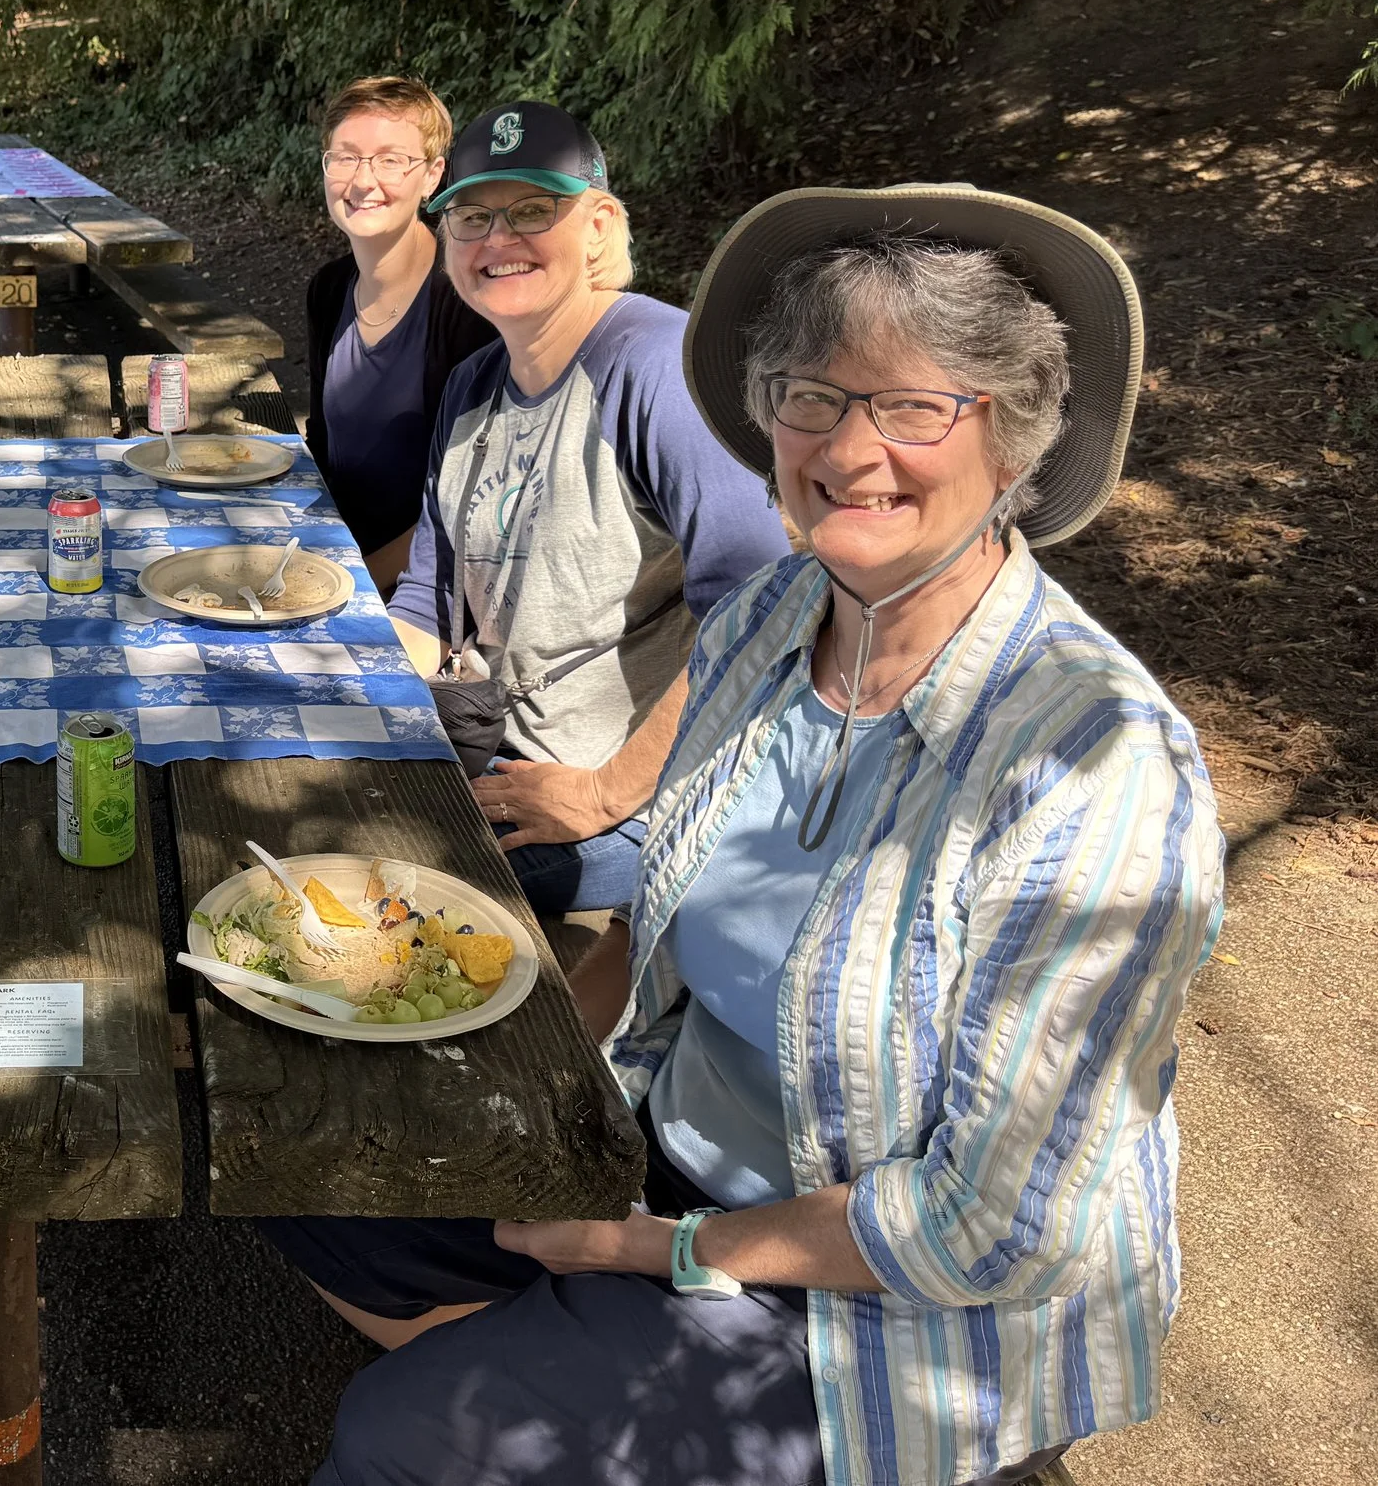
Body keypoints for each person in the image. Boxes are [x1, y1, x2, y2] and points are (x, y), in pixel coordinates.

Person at [262, 185, 1223, 1486]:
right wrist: (531, 1070)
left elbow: (996, 1222)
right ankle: (571, 1380)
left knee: (405, 1437)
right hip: (675, 1145)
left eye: (918, 404)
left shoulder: (1091, 763)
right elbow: (659, 923)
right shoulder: (777, 616)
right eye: (812, 396)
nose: (849, 447)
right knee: (305, 1144)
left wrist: (643, 1251)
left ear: (1019, 444)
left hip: (896, 1298)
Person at [385, 99, 786, 915]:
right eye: (472, 216)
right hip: (493, 752)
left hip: (624, 801)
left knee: (387, 911)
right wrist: (354, 716)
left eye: (535, 210)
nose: (499, 240)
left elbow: (762, 621)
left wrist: (603, 796)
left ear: (599, 226)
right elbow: (429, 599)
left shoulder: (657, 371)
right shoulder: (474, 385)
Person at [302, 76, 496, 592]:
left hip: (423, 595)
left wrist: (354, 583)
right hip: (328, 563)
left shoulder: (467, 308)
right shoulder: (329, 290)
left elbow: (465, 507)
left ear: (433, 175)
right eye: (345, 157)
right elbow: (323, 453)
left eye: (391, 160)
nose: (364, 181)